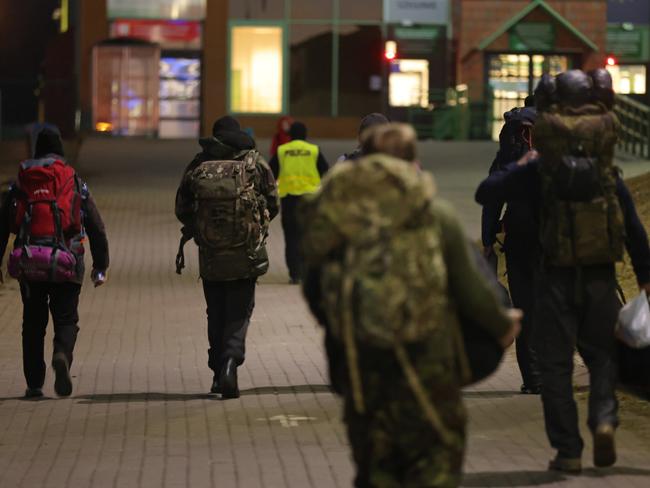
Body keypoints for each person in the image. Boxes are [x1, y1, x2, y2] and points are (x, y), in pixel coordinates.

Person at [301, 123, 521, 487]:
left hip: (361, 368)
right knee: (433, 467)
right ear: (412, 161)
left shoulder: (337, 215)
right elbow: (471, 288)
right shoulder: (433, 213)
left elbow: (315, 292)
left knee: (376, 470)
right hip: (429, 368)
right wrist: (503, 326)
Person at [476, 69, 650, 474]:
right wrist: (644, 273)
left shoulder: (540, 166)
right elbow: (632, 227)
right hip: (599, 279)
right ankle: (604, 419)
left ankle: (569, 449)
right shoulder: (605, 168)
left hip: (552, 278)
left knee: (555, 365)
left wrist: (519, 168)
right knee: (603, 356)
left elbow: (486, 193)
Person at [0, 127, 109, 399]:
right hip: (67, 260)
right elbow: (96, 226)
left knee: (33, 322)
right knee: (66, 318)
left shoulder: (22, 180)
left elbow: (3, 224)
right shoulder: (73, 180)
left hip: (30, 262)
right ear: (61, 149)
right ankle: (61, 354)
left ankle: (35, 383)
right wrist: (100, 265)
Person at [175, 116, 279, 399]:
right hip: (246, 253)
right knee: (238, 312)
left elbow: (181, 206)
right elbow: (273, 201)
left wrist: (202, 227)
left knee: (216, 313)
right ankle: (231, 362)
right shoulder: (254, 162)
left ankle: (217, 373)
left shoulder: (199, 163)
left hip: (211, 255)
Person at [481, 104, 541, 394]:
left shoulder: (511, 145)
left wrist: (488, 235)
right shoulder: (560, 141)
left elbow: (492, 195)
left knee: (524, 306)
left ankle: (532, 379)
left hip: (518, 234)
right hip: (551, 239)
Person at [269, 121, 328, 284]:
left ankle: (295, 274)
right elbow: (326, 172)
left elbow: (269, 173)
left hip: (289, 201)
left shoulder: (282, 151)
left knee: (291, 237)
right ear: (305, 134)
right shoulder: (313, 151)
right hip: (310, 201)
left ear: (290, 135)